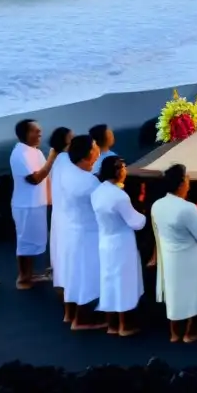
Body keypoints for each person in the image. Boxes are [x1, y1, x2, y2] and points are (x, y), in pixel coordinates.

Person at [152, 164, 197, 343]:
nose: (189, 182)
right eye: (187, 179)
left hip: (170, 257)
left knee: (174, 294)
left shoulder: (157, 205)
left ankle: (175, 333)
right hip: (190, 257)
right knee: (192, 294)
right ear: (180, 185)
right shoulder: (188, 208)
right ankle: (190, 332)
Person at [90, 155, 146, 336]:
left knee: (108, 281)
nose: (125, 171)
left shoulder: (98, 192)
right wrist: (144, 212)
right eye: (123, 168)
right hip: (122, 243)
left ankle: (111, 325)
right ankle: (124, 326)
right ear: (117, 171)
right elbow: (136, 222)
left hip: (105, 241)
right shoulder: (120, 196)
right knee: (123, 283)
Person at [62, 133, 104, 330]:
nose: (98, 149)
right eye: (95, 146)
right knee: (89, 275)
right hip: (88, 233)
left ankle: (70, 315)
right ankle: (82, 319)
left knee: (75, 274)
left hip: (73, 229)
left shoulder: (68, 173)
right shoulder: (89, 182)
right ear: (88, 153)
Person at [9, 118, 57, 289]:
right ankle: (22, 278)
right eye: (35, 131)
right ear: (25, 134)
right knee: (25, 241)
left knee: (34, 241)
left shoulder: (35, 152)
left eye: (39, 130)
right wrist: (52, 157)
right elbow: (35, 179)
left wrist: (50, 199)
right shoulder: (19, 154)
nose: (40, 134)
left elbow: (46, 177)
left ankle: (30, 274)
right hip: (25, 205)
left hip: (38, 203)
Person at [47, 127, 74, 312]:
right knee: (66, 250)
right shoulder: (66, 161)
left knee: (59, 249)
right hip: (67, 214)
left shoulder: (57, 161)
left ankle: (62, 286)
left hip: (59, 212)